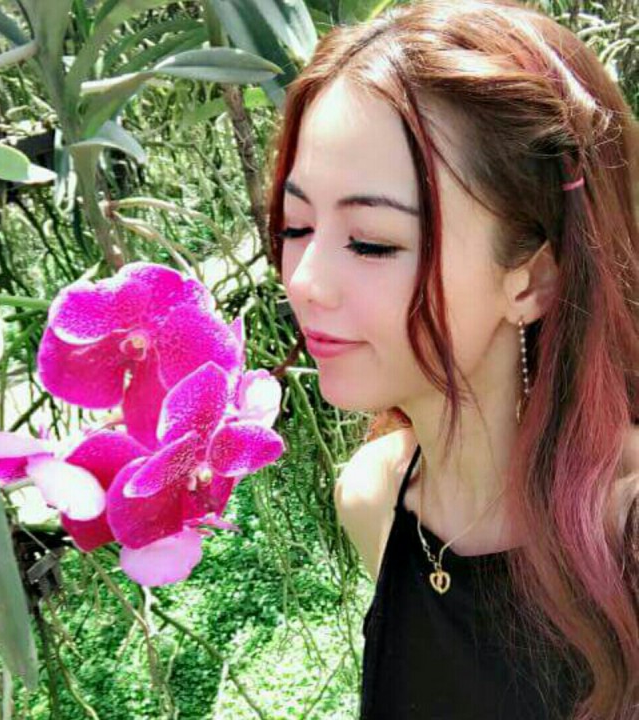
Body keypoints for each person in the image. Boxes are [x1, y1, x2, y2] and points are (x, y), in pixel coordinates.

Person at [266, 1, 639, 718]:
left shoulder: (627, 532)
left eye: (372, 242)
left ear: (531, 279)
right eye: (296, 225)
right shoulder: (372, 500)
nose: (305, 280)